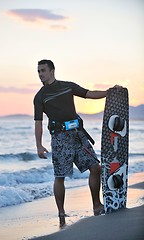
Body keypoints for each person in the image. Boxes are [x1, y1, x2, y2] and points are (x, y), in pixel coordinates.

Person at [34, 59, 117, 227]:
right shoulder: (40, 96)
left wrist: (109, 93)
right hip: (59, 139)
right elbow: (38, 122)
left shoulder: (67, 86)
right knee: (60, 176)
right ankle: (61, 212)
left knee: (96, 168)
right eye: (38, 71)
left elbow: (89, 94)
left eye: (43, 70)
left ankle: (96, 204)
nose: (41, 74)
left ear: (52, 71)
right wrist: (39, 145)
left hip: (78, 136)